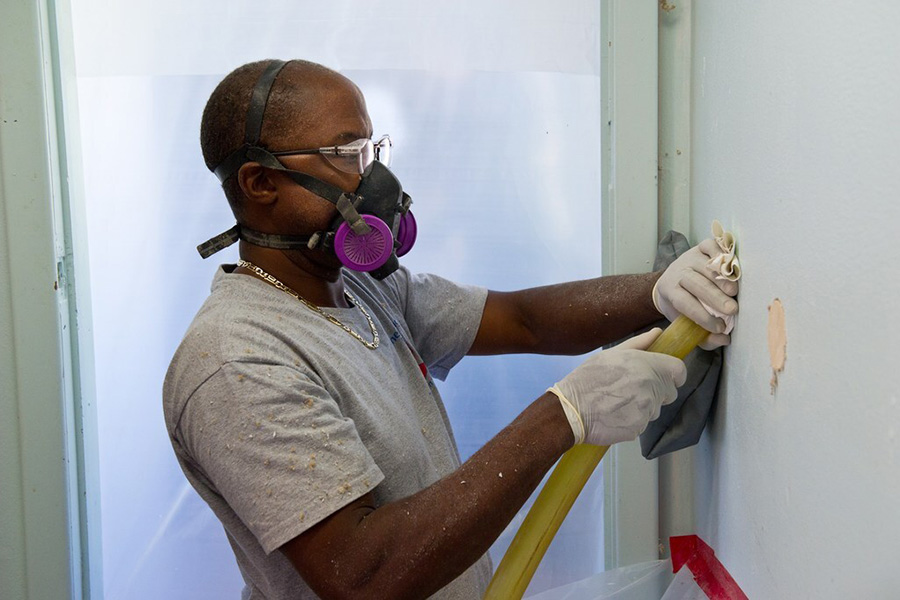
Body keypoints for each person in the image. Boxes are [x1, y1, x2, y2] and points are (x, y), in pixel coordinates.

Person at [163, 59, 739, 600]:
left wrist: (659, 291)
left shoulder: (363, 287)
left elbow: (523, 321)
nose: (373, 180)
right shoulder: (237, 360)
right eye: (344, 154)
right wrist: (564, 415)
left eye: (371, 149)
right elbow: (365, 574)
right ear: (260, 183)